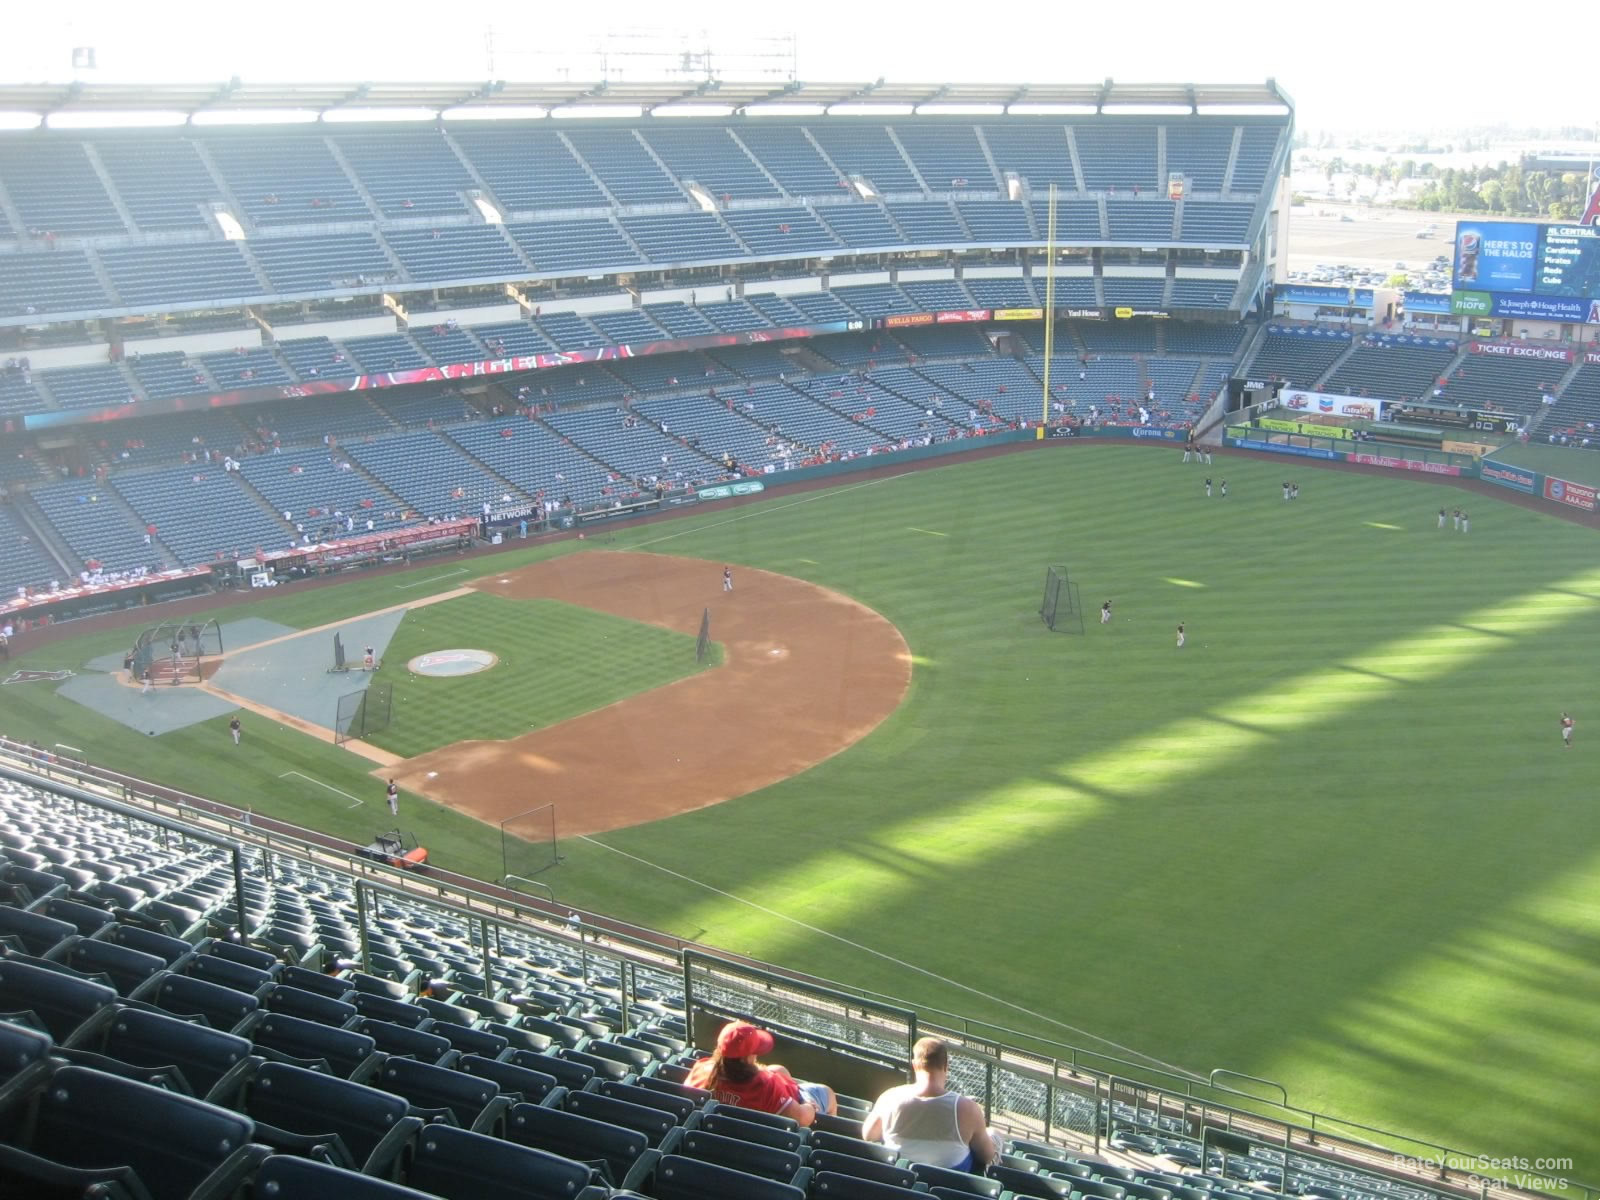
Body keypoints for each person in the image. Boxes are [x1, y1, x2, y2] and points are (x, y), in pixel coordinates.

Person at [862, 1037, 999, 1173]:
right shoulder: (968, 1108)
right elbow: (986, 1156)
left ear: (915, 1065)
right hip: (950, 1186)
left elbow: (868, 1135)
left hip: (897, 1179)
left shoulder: (890, 1097)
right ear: (946, 1066)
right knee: (994, 1135)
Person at [685, 1020, 836, 1126]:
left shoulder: (701, 1069)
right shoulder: (765, 1086)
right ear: (747, 1058)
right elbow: (803, 1118)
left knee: (779, 1070)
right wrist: (810, 1106)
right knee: (828, 1093)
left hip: (721, 1133)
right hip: (782, 1122)